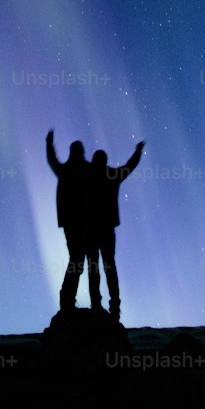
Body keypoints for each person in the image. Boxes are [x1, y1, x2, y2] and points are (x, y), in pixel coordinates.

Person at [86, 140, 144, 321]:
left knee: (94, 266)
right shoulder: (112, 175)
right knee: (108, 266)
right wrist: (137, 152)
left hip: (92, 228)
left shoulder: (87, 177)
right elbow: (130, 166)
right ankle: (113, 307)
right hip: (106, 228)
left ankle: (98, 304)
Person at [45, 128, 95, 312]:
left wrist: (49, 145)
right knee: (80, 261)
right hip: (81, 222)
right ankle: (68, 301)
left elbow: (53, 162)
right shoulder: (83, 170)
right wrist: (49, 145)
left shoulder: (67, 170)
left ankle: (67, 301)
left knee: (78, 261)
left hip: (74, 222)